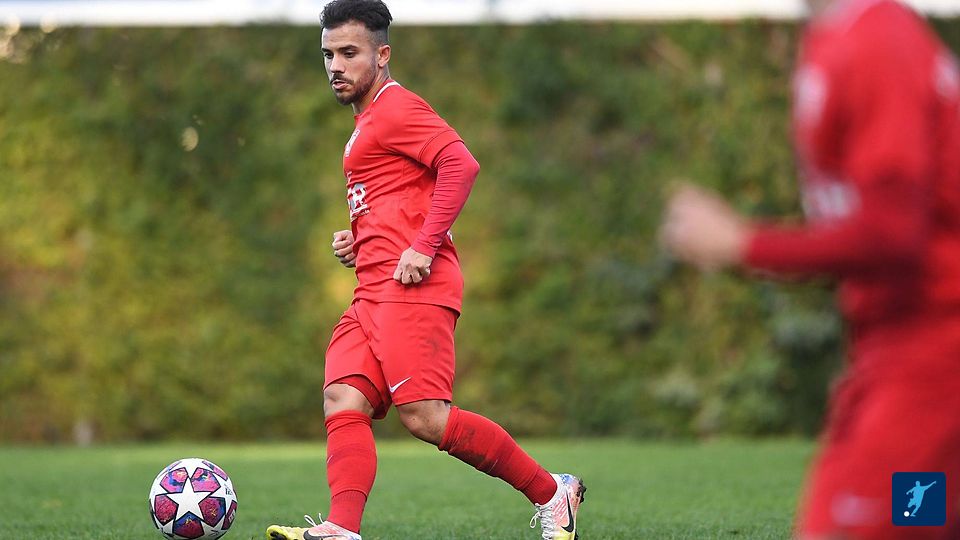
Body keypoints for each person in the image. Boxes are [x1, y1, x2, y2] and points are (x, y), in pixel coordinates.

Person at [265, 1, 584, 539]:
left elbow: (460, 164)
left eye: (349, 52)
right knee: (343, 397)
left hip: (412, 287)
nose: (335, 65)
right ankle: (342, 528)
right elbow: (399, 194)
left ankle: (554, 494)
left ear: (382, 54)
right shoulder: (368, 120)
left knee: (427, 418)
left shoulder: (395, 107)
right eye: (328, 54)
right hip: (373, 288)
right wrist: (362, 237)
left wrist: (423, 245)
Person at [661, 0, 960, 538]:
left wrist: (744, 244)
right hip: (894, 355)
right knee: (920, 523)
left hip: (932, 361)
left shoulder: (878, 42)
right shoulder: (841, 36)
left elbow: (894, 232)